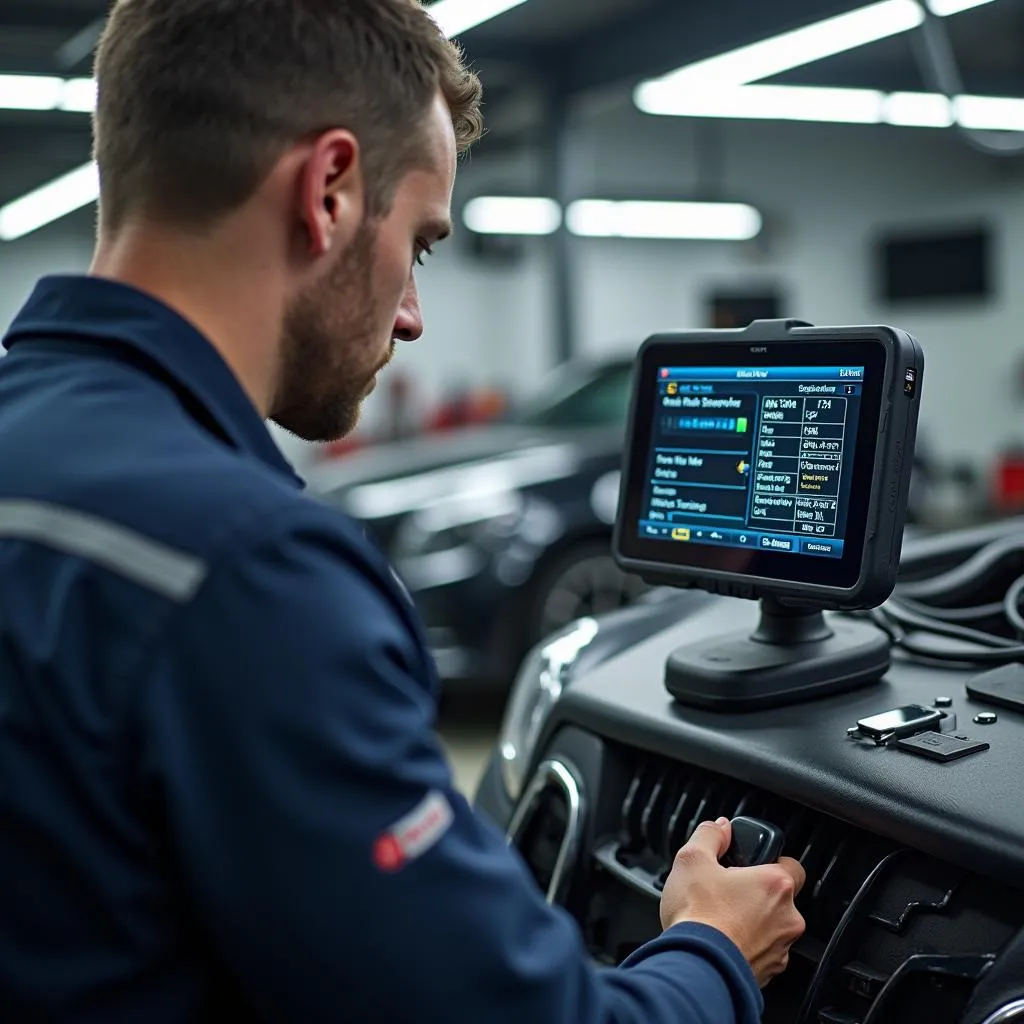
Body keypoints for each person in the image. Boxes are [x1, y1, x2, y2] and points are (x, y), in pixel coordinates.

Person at [0, 2, 806, 1022]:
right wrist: (710, 953)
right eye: (421, 244)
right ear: (328, 190)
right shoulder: (247, 573)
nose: (414, 313)